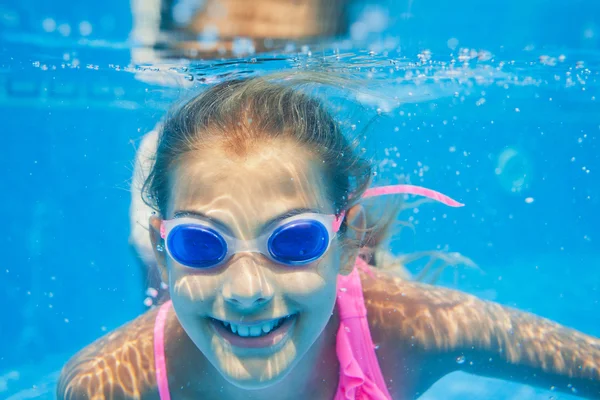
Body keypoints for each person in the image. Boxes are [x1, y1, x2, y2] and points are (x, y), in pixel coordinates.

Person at [59, 74, 600, 399]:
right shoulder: (106, 385)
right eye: (201, 243)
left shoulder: (413, 329)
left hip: (359, 293)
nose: (249, 290)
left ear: (344, 244)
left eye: (293, 241)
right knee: (160, 293)